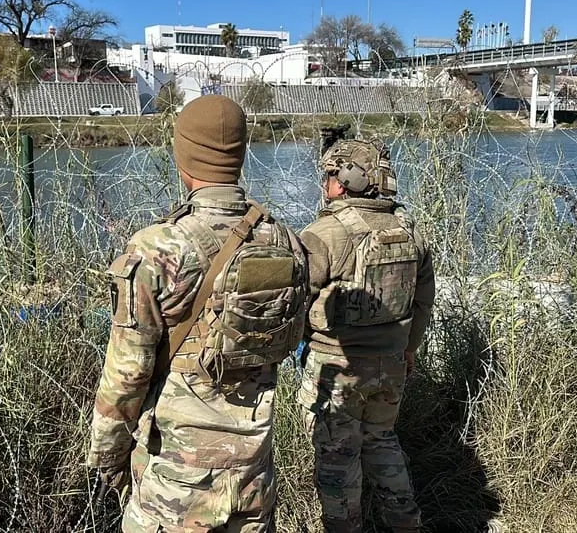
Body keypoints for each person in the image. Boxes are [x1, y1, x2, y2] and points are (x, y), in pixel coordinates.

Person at [87, 95, 309, 533]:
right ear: (241, 155)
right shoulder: (286, 243)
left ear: (182, 154)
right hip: (254, 473)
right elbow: (288, 343)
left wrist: (107, 456)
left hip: (177, 481)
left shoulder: (157, 249)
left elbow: (126, 374)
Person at [297, 132, 435, 533]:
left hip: (336, 366)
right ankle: (407, 524)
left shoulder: (325, 234)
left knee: (337, 458)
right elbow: (423, 302)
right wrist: (409, 349)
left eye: (328, 177)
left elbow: (295, 301)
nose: (325, 186)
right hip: (391, 362)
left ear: (342, 182)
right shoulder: (410, 231)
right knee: (383, 441)